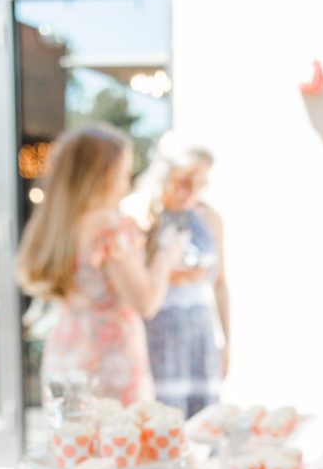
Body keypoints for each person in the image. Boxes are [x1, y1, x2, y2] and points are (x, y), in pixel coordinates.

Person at [16, 124, 187, 406]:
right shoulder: (110, 226)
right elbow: (146, 302)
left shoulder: (57, 225)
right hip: (109, 357)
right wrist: (166, 254)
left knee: (73, 431)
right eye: (124, 171)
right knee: (117, 432)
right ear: (106, 174)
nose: (127, 181)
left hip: (65, 350)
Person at [135, 134, 230, 419]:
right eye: (186, 179)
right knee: (163, 418)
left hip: (199, 330)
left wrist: (227, 342)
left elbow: (220, 284)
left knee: (204, 420)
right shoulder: (145, 217)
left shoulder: (209, 218)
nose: (192, 190)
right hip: (158, 332)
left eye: (201, 182)